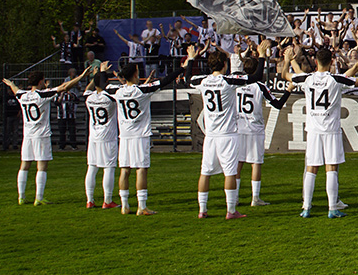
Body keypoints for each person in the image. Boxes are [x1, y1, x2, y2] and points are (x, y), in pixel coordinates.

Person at [282, 43, 358, 218]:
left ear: (315, 61)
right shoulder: (335, 80)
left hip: (313, 130)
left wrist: (288, 60)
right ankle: (332, 208)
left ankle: (306, 207)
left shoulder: (307, 79)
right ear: (332, 61)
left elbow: (286, 75)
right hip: (331, 130)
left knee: (311, 168)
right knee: (331, 167)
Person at [114, 45, 198, 215]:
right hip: (140, 136)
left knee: (124, 170)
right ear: (135, 75)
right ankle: (141, 206)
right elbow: (166, 80)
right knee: (141, 169)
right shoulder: (143, 90)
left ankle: (124, 205)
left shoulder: (118, 92)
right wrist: (184, 66)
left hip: (124, 136)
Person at [190, 43, 269, 220]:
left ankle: (202, 210)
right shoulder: (228, 81)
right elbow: (255, 77)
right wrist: (262, 55)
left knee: (205, 172)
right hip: (228, 134)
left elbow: (189, 77)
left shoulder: (203, 81)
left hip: (210, 135)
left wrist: (191, 59)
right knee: (230, 172)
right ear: (224, 65)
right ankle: (231, 210)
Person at [2, 66, 91, 205]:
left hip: (28, 135)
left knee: (24, 165)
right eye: (43, 81)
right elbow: (64, 87)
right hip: (41, 135)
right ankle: (39, 197)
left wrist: (10, 84)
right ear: (40, 82)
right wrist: (81, 77)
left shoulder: (22, 95)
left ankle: (21, 196)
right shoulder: (43, 95)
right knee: (42, 166)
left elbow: (15, 90)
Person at [236, 51, 291, 208]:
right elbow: (277, 104)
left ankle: (235, 197)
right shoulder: (260, 87)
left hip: (238, 128)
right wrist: (288, 90)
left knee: (238, 164)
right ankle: (255, 198)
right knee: (256, 163)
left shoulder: (236, 84)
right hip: (255, 128)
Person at [83, 62, 117, 208]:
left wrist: (96, 76)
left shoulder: (89, 97)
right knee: (108, 167)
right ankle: (107, 200)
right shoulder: (110, 96)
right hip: (108, 136)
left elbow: (87, 89)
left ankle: (89, 200)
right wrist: (102, 74)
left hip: (94, 136)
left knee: (92, 167)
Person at [56, 71, 81, 150]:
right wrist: (62, 94)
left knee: (72, 131)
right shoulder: (59, 94)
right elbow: (57, 103)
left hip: (71, 115)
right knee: (62, 131)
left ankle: (73, 145)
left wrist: (70, 94)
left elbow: (77, 101)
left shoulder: (72, 94)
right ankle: (62, 146)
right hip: (61, 115)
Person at [2, 86, 21, 151]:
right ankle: (7, 143)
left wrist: (19, 112)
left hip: (15, 115)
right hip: (8, 115)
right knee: (8, 130)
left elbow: (20, 105)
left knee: (15, 131)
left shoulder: (16, 97)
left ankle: (15, 144)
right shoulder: (6, 97)